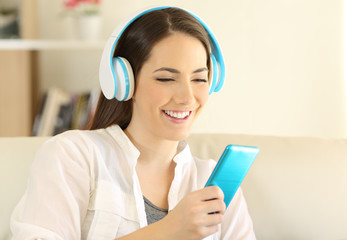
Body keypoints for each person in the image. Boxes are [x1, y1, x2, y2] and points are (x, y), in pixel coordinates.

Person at [10, 6, 256, 240]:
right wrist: (168, 230)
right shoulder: (75, 156)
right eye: (166, 78)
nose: (187, 97)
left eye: (200, 79)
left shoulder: (211, 183)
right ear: (124, 81)